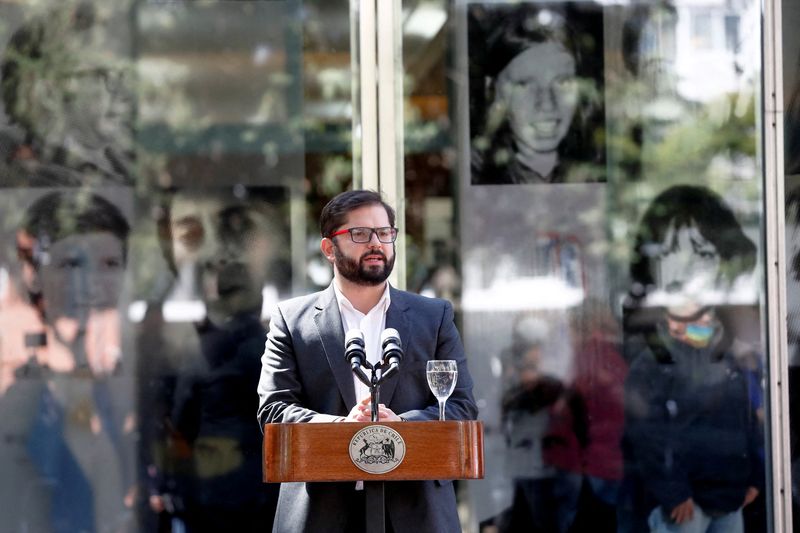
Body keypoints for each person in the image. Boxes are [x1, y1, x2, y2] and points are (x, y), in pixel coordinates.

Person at [257, 189, 478, 532]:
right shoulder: (291, 319)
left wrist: (401, 425)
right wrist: (341, 429)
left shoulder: (433, 317)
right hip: (321, 511)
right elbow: (274, 410)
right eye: (360, 234)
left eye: (385, 233)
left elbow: (461, 406)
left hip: (417, 512)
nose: (376, 243)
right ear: (329, 248)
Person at [621, 185, 764, 533]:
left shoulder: (733, 354)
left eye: (700, 251)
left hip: (729, 494)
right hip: (684, 504)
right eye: (669, 251)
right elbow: (647, 434)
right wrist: (673, 493)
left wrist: (757, 477)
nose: (685, 271)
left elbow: (750, 422)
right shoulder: (651, 360)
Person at [143, 186, 286, 532]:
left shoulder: (223, 347)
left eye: (237, 227)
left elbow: (179, 418)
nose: (215, 251)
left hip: (226, 498)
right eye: (191, 233)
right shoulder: (161, 339)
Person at [3, 189, 135, 532]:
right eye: (71, 263)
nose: (89, 283)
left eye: (109, 264)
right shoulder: (19, 382)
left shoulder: (130, 370)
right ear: (34, 273)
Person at [0, 2, 135, 186]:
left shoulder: (123, 157)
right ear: (49, 87)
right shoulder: (19, 171)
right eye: (105, 76)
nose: (124, 93)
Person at [468, 4, 604, 185]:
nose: (547, 104)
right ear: (494, 90)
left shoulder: (605, 167)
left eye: (562, 82)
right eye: (524, 84)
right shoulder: (468, 173)